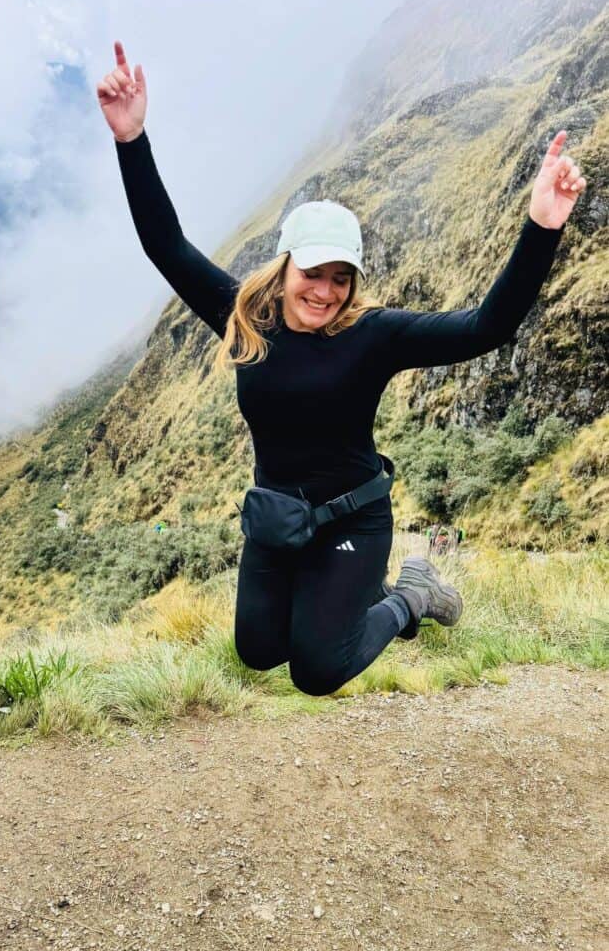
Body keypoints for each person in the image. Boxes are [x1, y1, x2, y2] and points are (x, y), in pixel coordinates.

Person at [97, 41, 586, 697]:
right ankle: (333, 599)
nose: (324, 292)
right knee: (258, 651)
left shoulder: (374, 336)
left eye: (339, 278)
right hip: (276, 519)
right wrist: (131, 138)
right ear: (284, 265)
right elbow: (165, 245)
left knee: (318, 670)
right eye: (312, 274)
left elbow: (486, 327)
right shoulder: (245, 318)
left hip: (353, 518)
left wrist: (541, 227)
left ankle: (411, 597)